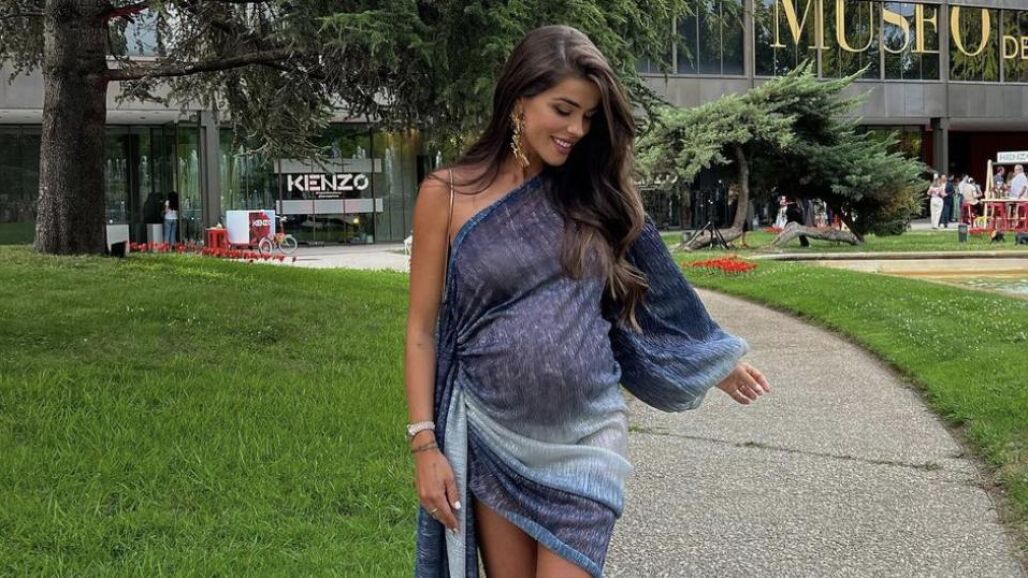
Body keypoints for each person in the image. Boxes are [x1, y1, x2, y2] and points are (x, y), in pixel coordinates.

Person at [405, 25, 770, 578]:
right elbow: (421, 331)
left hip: (587, 436)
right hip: (493, 434)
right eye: (564, 110)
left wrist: (709, 358)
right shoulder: (447, 194)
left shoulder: (596, 193)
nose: (577, 129)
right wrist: (424, 446)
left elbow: (661, 289)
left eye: (589, 117)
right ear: (519, 100)